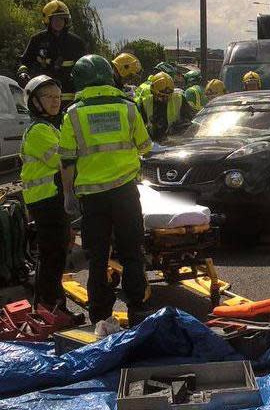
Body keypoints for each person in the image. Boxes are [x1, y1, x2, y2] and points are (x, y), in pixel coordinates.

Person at [59, 54, 152, 326]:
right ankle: (138, 309)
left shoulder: (73, 114)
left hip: (92, 199)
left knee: (97, 258)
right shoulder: (128, 107)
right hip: (124, 194)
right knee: (132, 251)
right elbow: (145, 147)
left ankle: (100, 317)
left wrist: (68, 196)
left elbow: (67, 160)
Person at [19, 75, 74, 318]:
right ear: (34, 102)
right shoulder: (39, 130)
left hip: (52, 198)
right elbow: (61, 159)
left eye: (58, 97)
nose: (55, 101)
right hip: (45, 200)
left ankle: (51, 305)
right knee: (52, 254)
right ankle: (50, 307)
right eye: (48, 97)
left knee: (56, 252)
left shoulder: (51, 126)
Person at [17, 0, 86, 110]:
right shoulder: (37, 40)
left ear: (66, 20)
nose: (59, 22)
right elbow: (24, 62)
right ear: (47, 20)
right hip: (43, 97)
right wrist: (23, 73)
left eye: (62, 18)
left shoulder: (76, 42)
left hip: (70, 99)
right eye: (55, 19)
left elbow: (85, 68)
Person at [137, 71, 193, 142]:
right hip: (154, 143)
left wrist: (180, 126)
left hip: (176, 143)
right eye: (161, 96)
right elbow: (138, 126)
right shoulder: (145, 103)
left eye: (168, 96)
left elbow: (191, 120)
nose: (165, 99)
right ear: (153, 91)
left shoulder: (180, 99)